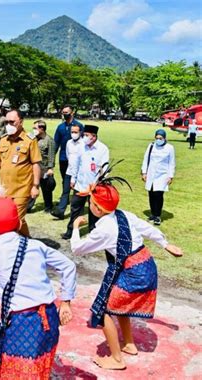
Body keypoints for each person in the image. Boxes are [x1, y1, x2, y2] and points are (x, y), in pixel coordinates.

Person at [70, 174, 183, 370]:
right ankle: (129, 344)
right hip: (145, 265)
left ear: (97, 207)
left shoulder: (104, 228)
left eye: (91, 201)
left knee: (102, 310)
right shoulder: (124, 214)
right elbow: (148, 228)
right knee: (119, 305)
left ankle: (116, 359)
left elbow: (77, 249)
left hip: (132, 271)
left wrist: (75, 228)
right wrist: (166, 244)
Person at [0, 183, 76, 379]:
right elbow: (68, 266)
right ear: (18, 223)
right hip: (49, 318)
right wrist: (66, 301)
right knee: (40, 367)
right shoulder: (35, 245)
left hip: (23, 323)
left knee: (16, 371)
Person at [0, 109, 42, 237]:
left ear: (21, 122)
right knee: (15, 220)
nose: (8, 125)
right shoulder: (3, 140)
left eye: (12, 122)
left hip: (22, 188)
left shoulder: (30, 140)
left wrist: (35, 186)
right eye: (6, 122)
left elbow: (36, 164)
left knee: (15, 219)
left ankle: (15, 245)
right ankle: (27, 240)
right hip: (4, 189)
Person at [61, 124, 109, 239]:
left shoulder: (102, 149)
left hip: (94, 187)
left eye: (86, 135)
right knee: (75, 208)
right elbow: (75, 164)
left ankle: (93, 233)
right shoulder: (82, 147)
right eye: (84, 135)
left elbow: (105, 168)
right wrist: (73, 179)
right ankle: (71, 230)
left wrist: (98, 182)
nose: (84, 137)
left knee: (94, 211)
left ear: (93, 136)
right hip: (80, 185)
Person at [51, 105, 84, 220]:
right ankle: (62, 208)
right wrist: (52, 161)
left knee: (75, 185)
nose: (65, 114)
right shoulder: (60, 127)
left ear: (72, 113)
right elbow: (56, 144)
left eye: (67, 112)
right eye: (63, 112)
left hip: (77, 161)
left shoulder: (79, 126)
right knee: (65, 183)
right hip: (64, 158)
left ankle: (68, 207)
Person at [141, 129, 175, 225]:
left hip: (162, 175)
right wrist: (144, 172)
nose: (158, 140)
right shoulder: (151, 146)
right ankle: (152, 214)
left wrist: (170, 176)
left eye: (160, 138)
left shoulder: (170, 148)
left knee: (158, 194)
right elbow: (145, 159)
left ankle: (158, 215)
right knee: (151, 194)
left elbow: (171, 163)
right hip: (151, 173)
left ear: (164, 138)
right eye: (157, 138)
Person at [27, 120, 56, 213]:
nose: (33, 130)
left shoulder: (49, 140)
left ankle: (48, 207)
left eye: (35, 128)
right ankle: (28, 206)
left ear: (42, 129)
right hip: (34, 167)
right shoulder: (33, 138)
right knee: (32, 186)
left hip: (44, 168)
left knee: (46, 189)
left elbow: (51, 155)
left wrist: (50, 168)